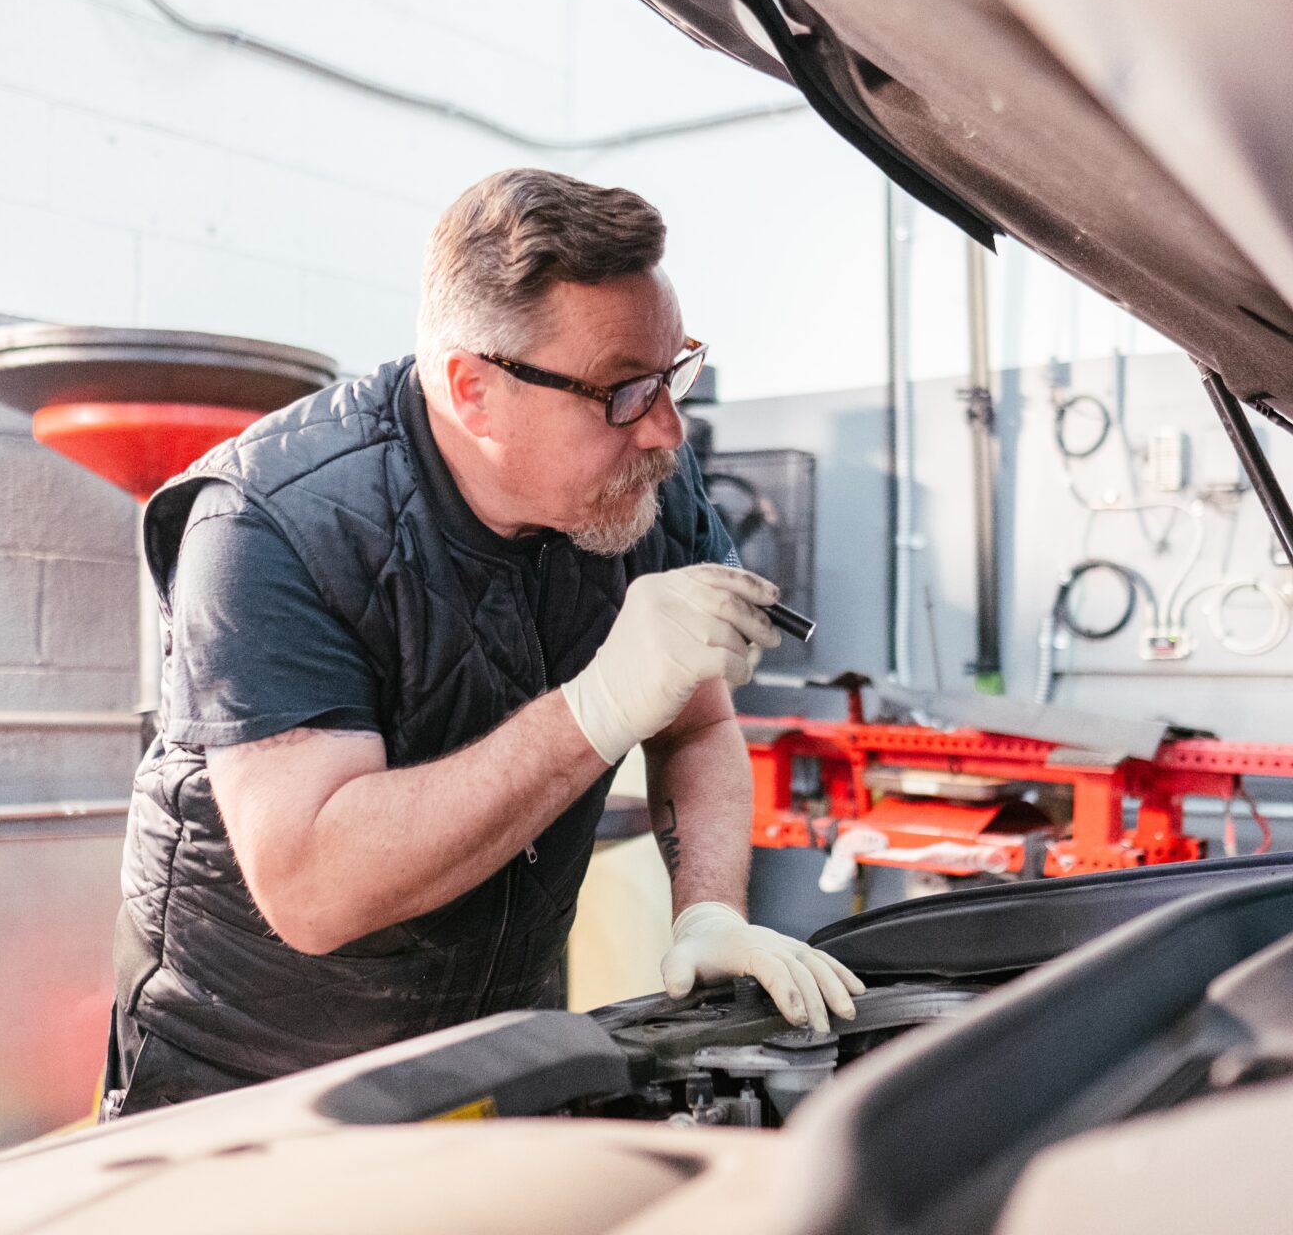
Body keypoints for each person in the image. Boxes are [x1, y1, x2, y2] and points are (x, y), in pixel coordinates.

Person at [104, 168, 864, 1115]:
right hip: (257, 1079)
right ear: (474, 390)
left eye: (676, 372)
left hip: (497, 1046)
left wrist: (708, 908)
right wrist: (595, 710)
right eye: (625, 391)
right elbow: (312, 888)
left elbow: (696, 727)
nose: (667, 429)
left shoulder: (642, 489)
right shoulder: (274, 526)